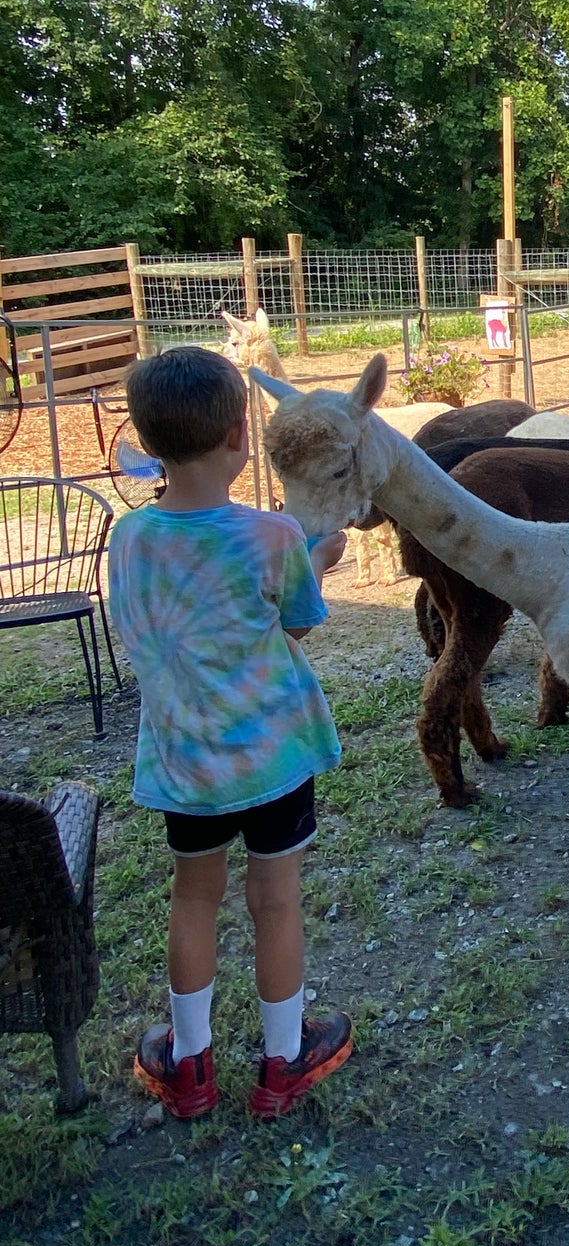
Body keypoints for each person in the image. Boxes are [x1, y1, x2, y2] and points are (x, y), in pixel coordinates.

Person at [108, 346, 353, 1120]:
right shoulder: (275, 535)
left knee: (193, 898)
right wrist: (318, 560)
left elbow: (150, 633)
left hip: (188, 765)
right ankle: (283, 1062)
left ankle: (189, 1067)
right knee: (275, 901)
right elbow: (297, 623)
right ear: (240, 434)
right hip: (272, 758)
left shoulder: (130, 540)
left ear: (148, 443)